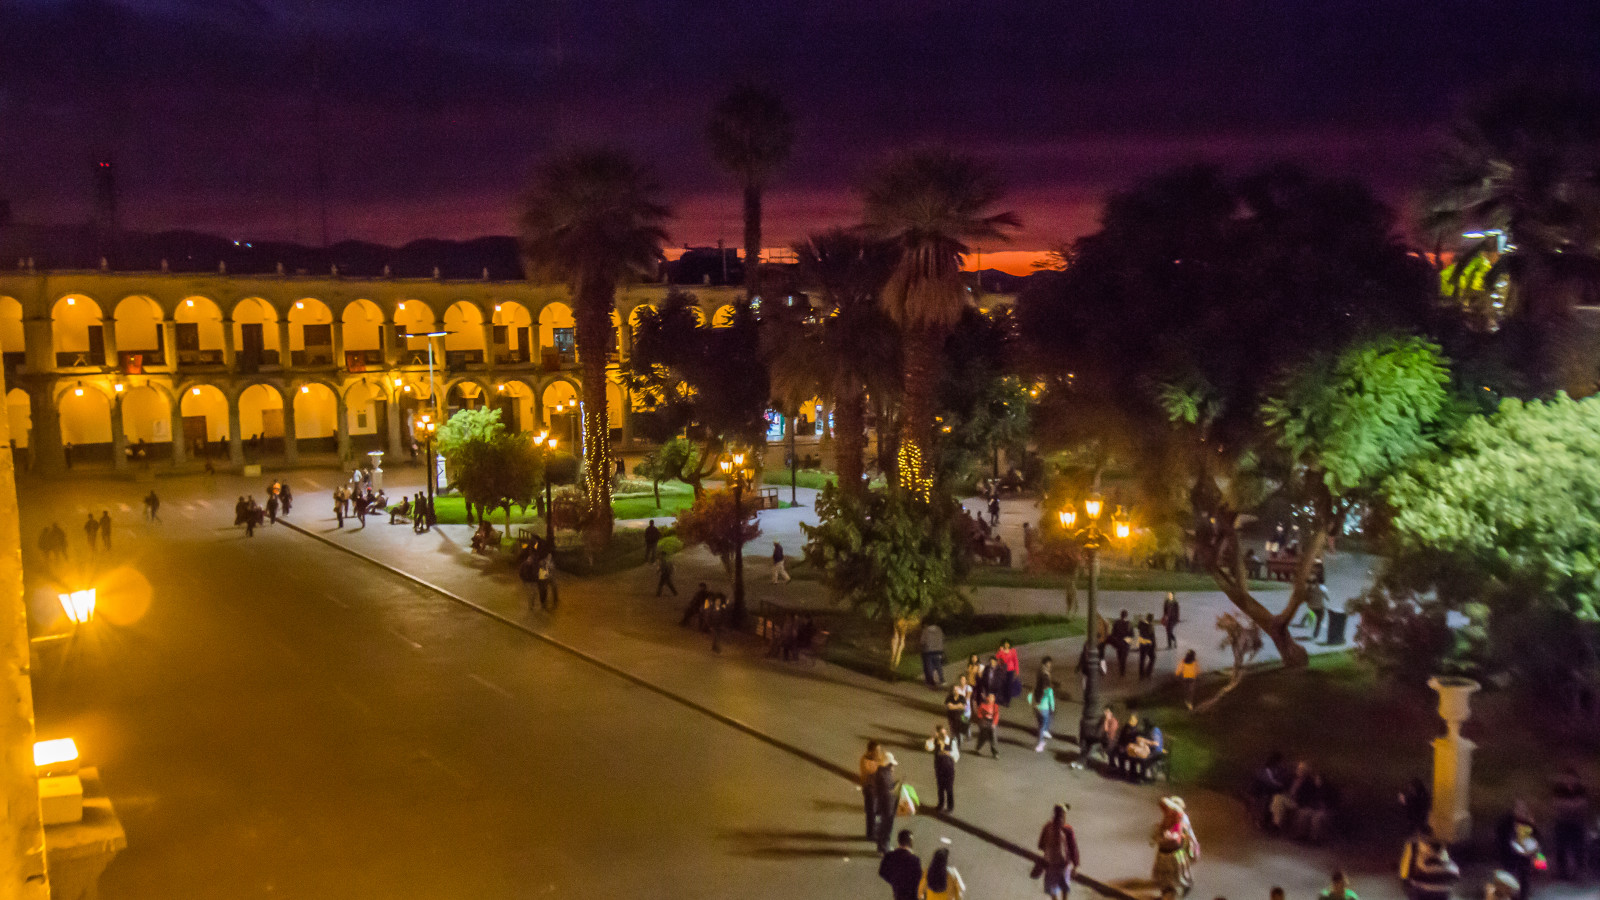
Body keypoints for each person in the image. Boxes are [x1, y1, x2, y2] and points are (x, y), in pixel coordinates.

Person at [1152, 796, 1200, 897]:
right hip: (1164, 851)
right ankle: (1166, 890)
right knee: (1164, 873)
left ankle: (1182, 887)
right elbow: (1159, 832)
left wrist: (1173, 837)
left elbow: (1186, 834)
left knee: (1179, 873)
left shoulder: (1181, 819)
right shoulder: (1168, 818)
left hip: (1175, 852)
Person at [1549, 769, 1589, 880]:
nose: (1570, 781)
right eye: (1567, 778)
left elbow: (1583, 805)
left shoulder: (1581, 790)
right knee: (1561, 847)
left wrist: (1567, 806)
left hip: (1577, 823)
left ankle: (1578, 872)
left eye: (1572, 778)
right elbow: (1556, 805)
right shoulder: (1559, 789)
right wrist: (1573, 805)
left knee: (1578, 848)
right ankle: (1562, 873)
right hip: (1562, 822)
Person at [1401, 829, 1461, 900]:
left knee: (1409, 883)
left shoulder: (1413, 845)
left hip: (1421, 890)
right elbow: (1456, 876)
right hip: (1443, 892)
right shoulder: (1443, 848)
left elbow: (1404, 873)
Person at [1038, 804, 1080, 900]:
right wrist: (1076, 866)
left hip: (1050, 865)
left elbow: (1040, 845)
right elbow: (1073, 848)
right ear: (1063, 815)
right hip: (1064, 865)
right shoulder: (1068, 829)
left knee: (1053, 891)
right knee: (1064, 890)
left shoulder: (1047, 826)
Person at [879, 829, 922, 900]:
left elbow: (882, 872)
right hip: (911, 894)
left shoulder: (889, 856)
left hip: (897, 891)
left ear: (899, 841)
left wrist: (893, 880)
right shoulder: (914, 859)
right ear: (911, 843)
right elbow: (918, 877)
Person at [872, 757, 901, 853]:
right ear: (889, 765)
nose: (894, 768)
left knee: (883, 827)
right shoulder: (885, 775)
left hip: (884, 805)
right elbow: (887, 792)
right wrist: (894, 789)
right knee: (886, 828)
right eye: (892, 765)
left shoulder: (883, 773)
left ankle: (882, 845)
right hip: (887, 806)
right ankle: (884, 846)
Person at [927, 724, 958, 812]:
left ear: (946, 733)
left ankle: (950, 807)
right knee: (940, 787)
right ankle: (940, 804)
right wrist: (933, 738)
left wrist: (948, 753)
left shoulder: (952, 741)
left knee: (949, 787)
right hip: (939, 767)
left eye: (943, 733)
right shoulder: (935, 741)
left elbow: (956, 755)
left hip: (949, 768)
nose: (942, 735)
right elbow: (928, 748)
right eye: (940, 733)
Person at [860, 741, 886, 840]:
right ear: (871, 751)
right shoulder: (866, 761)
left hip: (876, 790)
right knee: (871, 812)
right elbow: (873, 773)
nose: (879, 752)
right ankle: (871, 834)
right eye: (877, 750)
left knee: (877, 812)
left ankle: (875, 830)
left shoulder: (874, 759)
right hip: (870, 790)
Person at [1031, 659, 1056, 753]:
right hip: (1043, 709)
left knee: (1040, 726)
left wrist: (1035, 705)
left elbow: (1033, 696)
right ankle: (1041, 740)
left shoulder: (1041, 689)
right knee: (1041, 726)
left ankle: (1041, 741)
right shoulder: (1048, 690)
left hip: (1040, 708)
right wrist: (1052, 708)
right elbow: (1051, 701)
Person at [972, 691, 1001, 758]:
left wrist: (994, 724)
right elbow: (979, 714)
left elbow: (996, 716)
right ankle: (978, 748)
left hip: (991, 722)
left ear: (994, 699)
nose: (990, 699)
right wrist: (982, 720)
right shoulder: (983, 705)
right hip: (984, 722)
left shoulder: (995, 706)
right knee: (983, 736)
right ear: (987, 698)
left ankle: (995, 752)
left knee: (993, 737)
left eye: (992, 698)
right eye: (989, 697)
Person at [945, 680, 972, 750]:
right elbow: (949, 707)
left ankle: (959, 746)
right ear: (952, 691)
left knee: (960, 732)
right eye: (955, 690)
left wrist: (954, 706)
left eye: (957, 689)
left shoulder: (962, 697)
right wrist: (958, 706)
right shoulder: (949, 698)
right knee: (953, 733)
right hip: (952, 718)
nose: (956, 691)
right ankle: (952, 747)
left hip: (961, 717)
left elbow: (964, 707)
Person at [921, 621, 946, 689]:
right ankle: (942, 679)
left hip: (929, 651)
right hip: (938, 651)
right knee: (938, 666)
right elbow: (943, 638)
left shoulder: (925, 631)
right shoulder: (939, 629)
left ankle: (931, 682)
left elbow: (922, 641)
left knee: (930, 667)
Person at [997, 639, 1021, 706]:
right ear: (1003, 644)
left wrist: (1017, 671)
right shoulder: (1001, 651)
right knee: (1004, 685)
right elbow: (997, 657)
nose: (1007, 645)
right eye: (1005, 644)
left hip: (1010, 670)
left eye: (1008, 644)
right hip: (1003, 670)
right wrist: (1000, 651)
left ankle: (1007, 701)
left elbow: (1015, 661)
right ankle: (1003, 699)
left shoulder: (1013, 651)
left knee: (1009, 686)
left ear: (1010, 644)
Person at [1110, 610, 1133, 676]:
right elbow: (1132, 635)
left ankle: (1121, 669)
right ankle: (1122, 671)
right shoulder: (1129, 624)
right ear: (1126, 615)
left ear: (1121, 615)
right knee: (1124, 658)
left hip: (1118, 642)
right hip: (1125, 644)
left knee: (1120, 657)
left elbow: (1113, 633)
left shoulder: (1116, 622)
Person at [1138, 613, 1158, 679]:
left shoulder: (1141, 624)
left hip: (1142, 644)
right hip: (1148, 645)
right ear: (1151, 619)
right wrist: (1155, 646)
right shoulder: (1151, 626)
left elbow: (1139, 625)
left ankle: (1141, 674)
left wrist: (1140, 619)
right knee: (1153, 658)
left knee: (1142, 659)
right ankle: (1148, 672)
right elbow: (1153, 637)